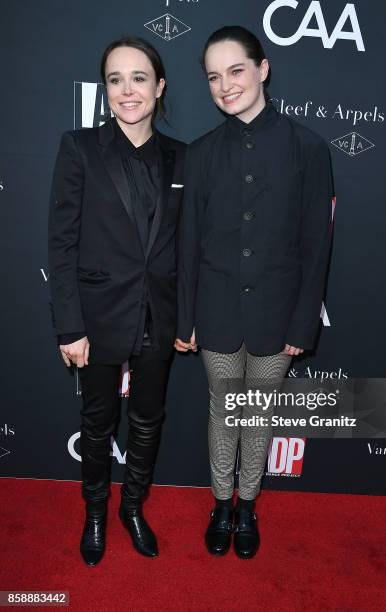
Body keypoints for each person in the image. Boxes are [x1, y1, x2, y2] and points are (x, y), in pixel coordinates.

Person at [175, 26, 333, 559]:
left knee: (257, 412)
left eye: (235, 70)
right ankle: (222, 504)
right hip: (215, 311)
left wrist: (301, 324)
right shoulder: (199, 154)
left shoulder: (308, 148)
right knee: (224, 410)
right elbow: (188, 243)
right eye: (214, 77)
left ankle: (248, 504)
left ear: (263, 68)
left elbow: (316, 246)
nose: (225, 85)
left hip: (277, 314)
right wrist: (186, 320)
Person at [48, 36, 185, 566]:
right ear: (105, 90)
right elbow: (60, 243)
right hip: (98, 314)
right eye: (115, 79)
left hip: (160, 314)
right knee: (97, 421)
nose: (127, 90)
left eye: (139, 78)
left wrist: (187, 318)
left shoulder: (183, 157)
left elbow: (188, 249)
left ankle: (133, 507)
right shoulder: (78, 147)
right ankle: (96, 513)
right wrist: (68, 326)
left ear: (160, 86)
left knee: (148, 418)